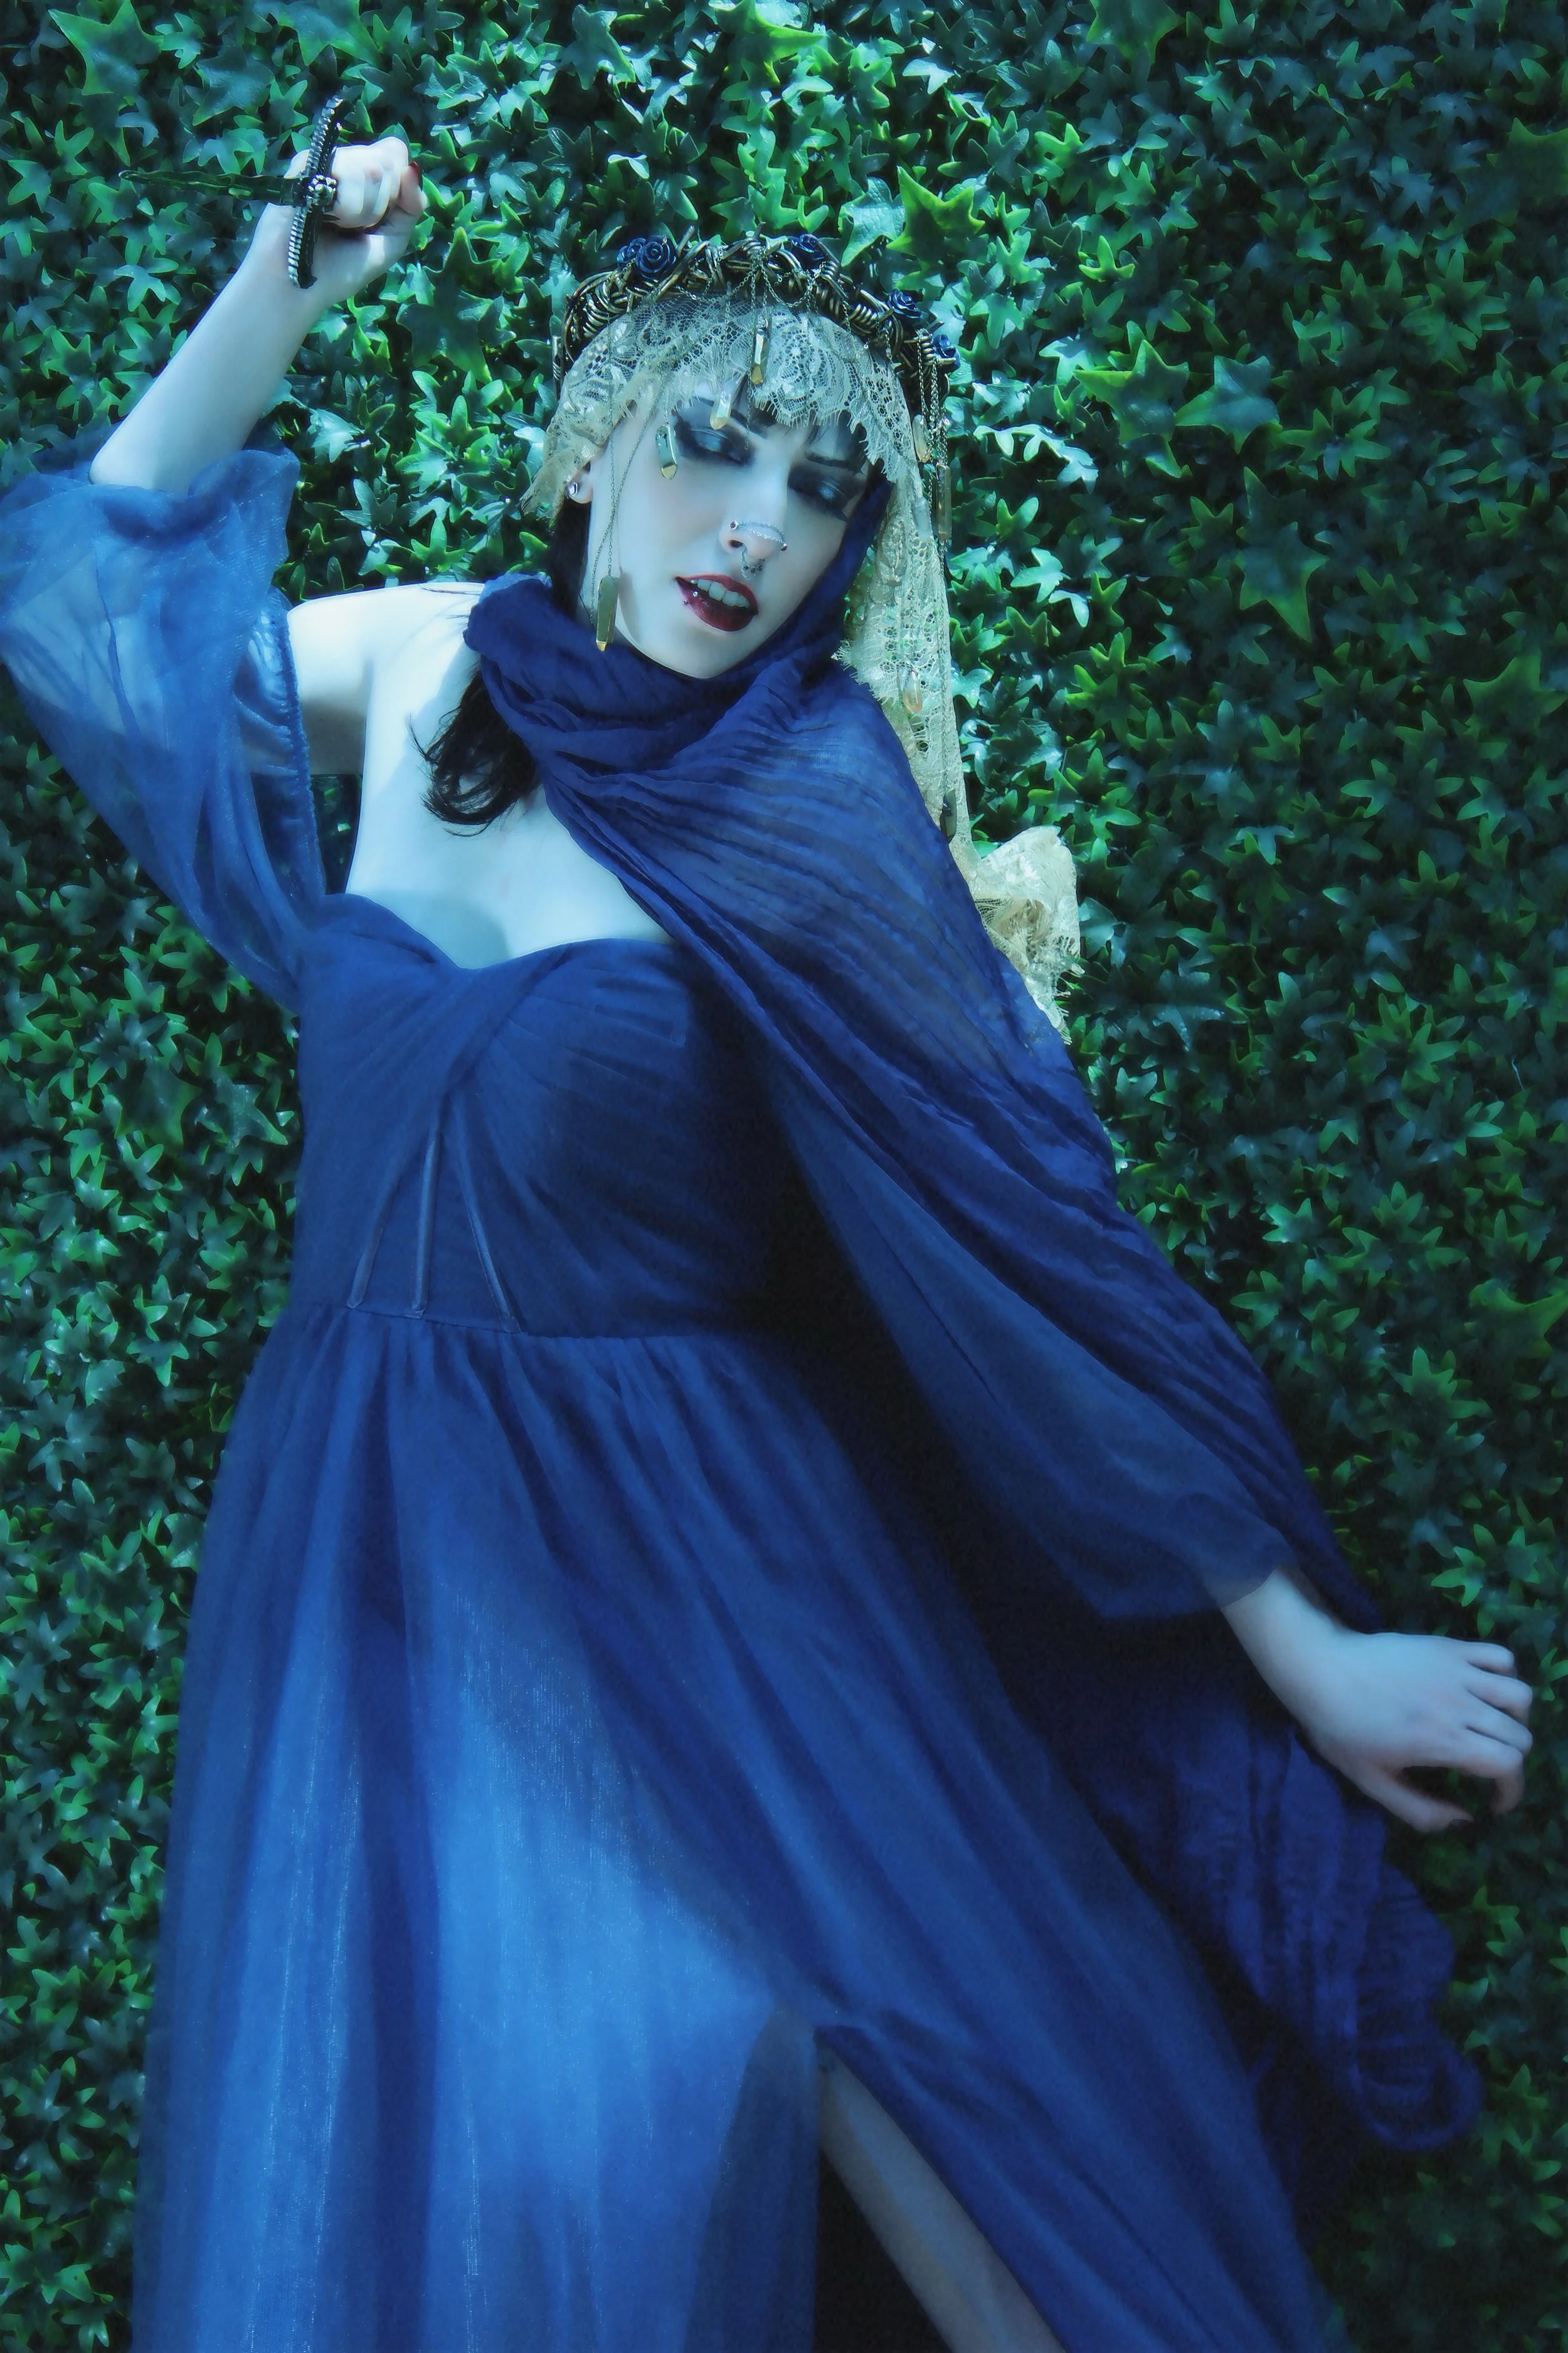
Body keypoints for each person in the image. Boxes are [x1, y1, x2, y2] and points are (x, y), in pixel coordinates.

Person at [0, 122, 1535, 2353]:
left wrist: (1302, 1652)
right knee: (454, 2157)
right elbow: (76, 616)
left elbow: (1030, 1251)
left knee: (883, 2082)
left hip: (699, 1559)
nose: (755, 525)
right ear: (596, 442)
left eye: (822, 489)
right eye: (712, 444)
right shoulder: (430, 663)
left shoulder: (810, 806)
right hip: (377, 1551)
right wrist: (278, 289)